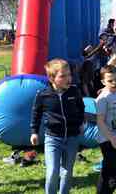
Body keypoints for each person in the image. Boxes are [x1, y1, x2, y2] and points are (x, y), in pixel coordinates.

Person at [30, 59, 85, 194]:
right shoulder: (43, 95)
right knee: (53, 171)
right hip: (53, 139)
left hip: (72, 138)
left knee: (67, 172)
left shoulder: (74, 91)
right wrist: (34, 132)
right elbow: (36, 114)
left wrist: (81, 123)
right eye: (63, 76)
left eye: (69, 75)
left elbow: (81, 107)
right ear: (52, 78)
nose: (68, 79)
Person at [95, 65, 116, 194]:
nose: (114, 83)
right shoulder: (102, 99)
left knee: (107, 170)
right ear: (103, 82)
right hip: (106, 138)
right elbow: (100, 122)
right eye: (110, 81)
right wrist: (112, 140)